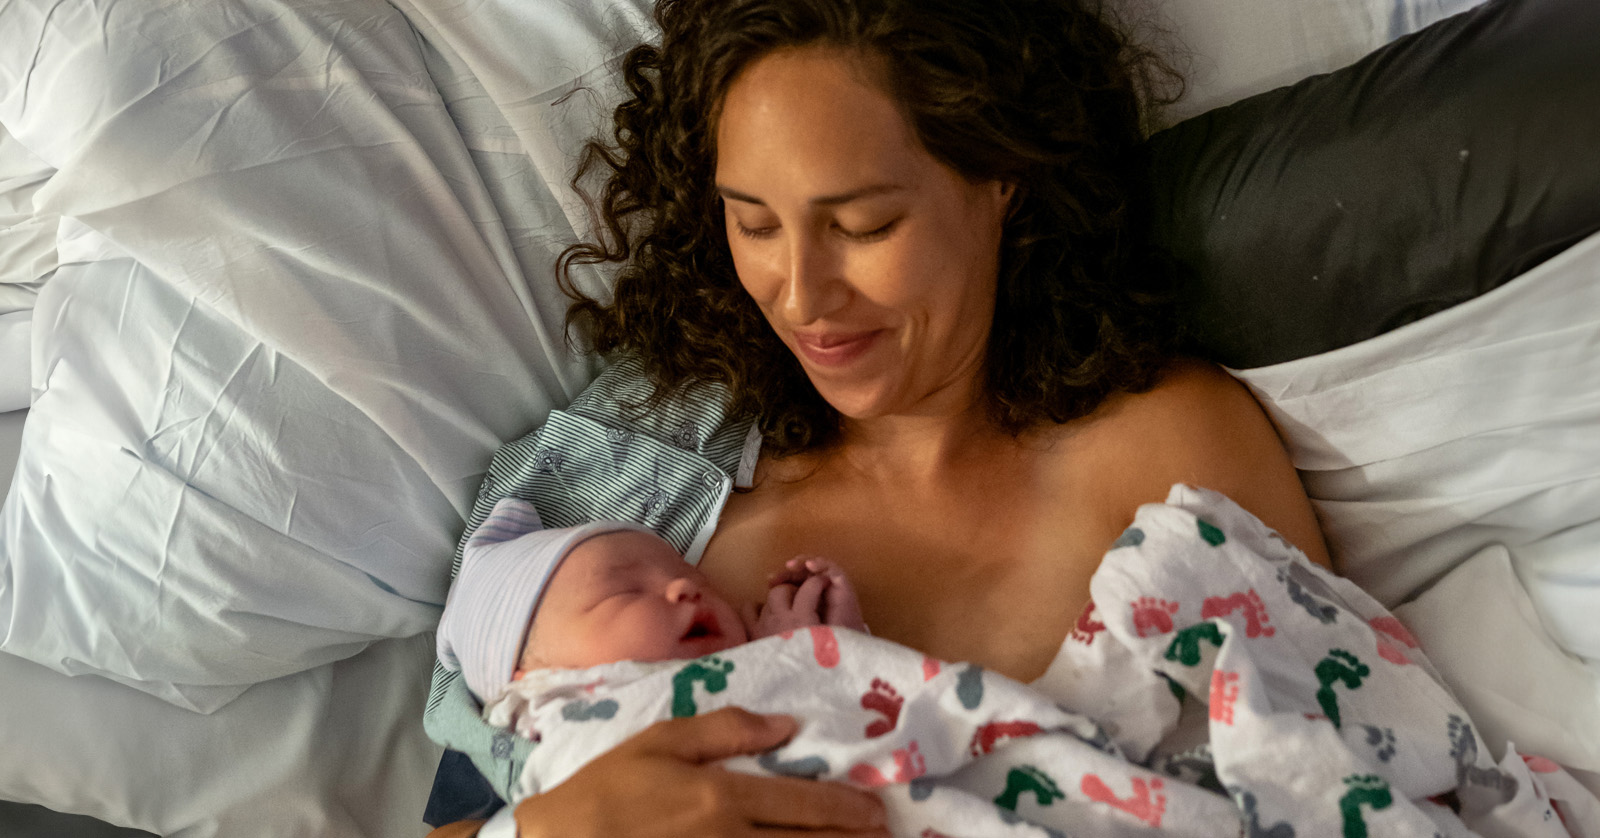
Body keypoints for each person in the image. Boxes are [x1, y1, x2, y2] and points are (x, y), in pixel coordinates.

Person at [425, 0, 1333, 834]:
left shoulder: (1167, 449)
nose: (800, 295)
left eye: (861, 227)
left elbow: (1331, 769)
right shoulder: (631, 471)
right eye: (754, 224)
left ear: (1002, 174)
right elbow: (465, 816)